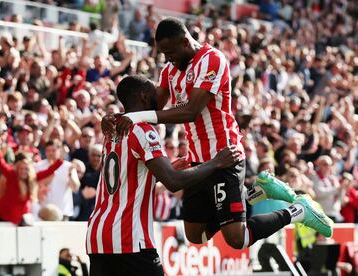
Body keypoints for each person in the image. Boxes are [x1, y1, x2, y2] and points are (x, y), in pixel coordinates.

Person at [101, 18, 332, 251]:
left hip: (224, 155)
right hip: (197, 160)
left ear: (184, 42)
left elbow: (190, 111)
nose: (167, 58)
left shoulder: (212, 60)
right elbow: (152, 108)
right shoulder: (170, 70)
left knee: (236, 239)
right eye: (163, 54)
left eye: (170, 52)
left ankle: (298, 210)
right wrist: (118, 116)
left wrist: (137, 118)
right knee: (196, 235)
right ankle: (253, 194)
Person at [86, 75, 240, 276]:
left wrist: (171, 166)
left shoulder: (112, 128)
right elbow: (174, 183)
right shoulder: (143, 129)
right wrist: (216, 162)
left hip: (98, 235)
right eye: (155, 91)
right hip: (128, 237)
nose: (161, 96)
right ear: (144, 96)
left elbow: (129, 176)